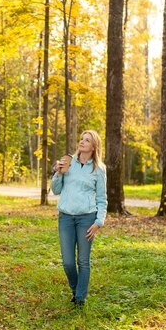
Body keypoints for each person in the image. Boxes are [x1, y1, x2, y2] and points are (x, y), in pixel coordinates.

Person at [51, 130, 107, 307]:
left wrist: (98, 222)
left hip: (86, 219)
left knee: (83, 260)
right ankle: (76, 290)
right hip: (66, 218)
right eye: (81, 139)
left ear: (93, 146)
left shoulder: (99, 169)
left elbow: (102, 198)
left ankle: (80, 299)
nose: (82, 142)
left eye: (87, 140)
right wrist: (58, 173)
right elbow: (56, 190)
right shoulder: (68, 162)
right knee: (68, 262)